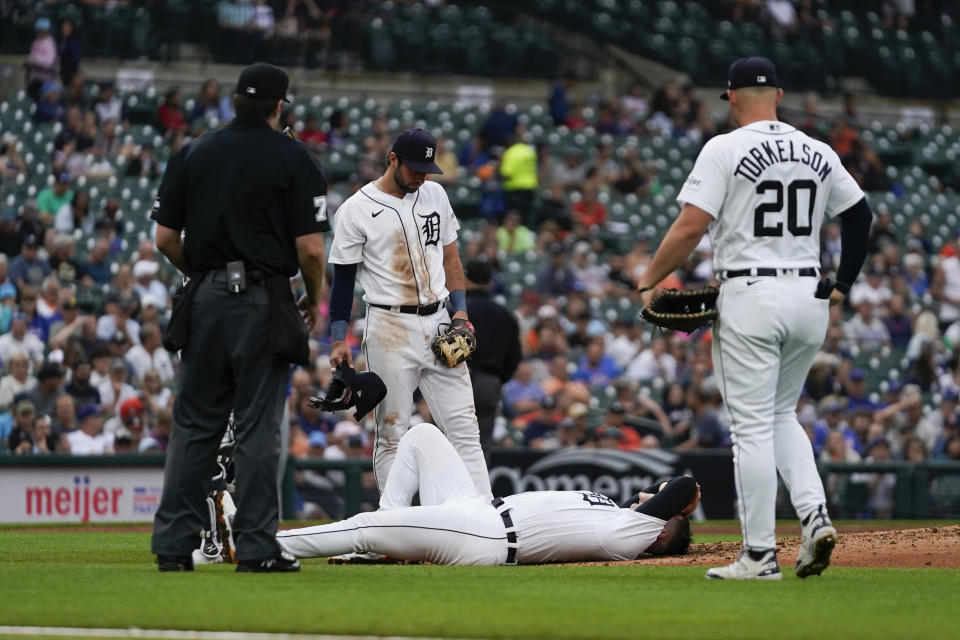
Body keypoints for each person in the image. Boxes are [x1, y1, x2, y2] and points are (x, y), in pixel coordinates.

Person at [636, 57, 872, 580]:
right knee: (781, 413)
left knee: (750, 430)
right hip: (809, 296)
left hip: (752, 291)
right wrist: (845, 282)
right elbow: (860, 215)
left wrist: (649, 277)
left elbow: (691, 225)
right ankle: (814, 517)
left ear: (732, 97)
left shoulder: (724, 147)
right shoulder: (818, 150)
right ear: (779, 96)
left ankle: (760, 556)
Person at [150, 63, 329, 573]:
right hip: (263, 298)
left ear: (233, 100)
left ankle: (171, 546)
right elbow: (311, 252)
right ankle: (254, 547)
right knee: (257, 428)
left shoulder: (193, 151)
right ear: (279, 107)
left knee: (193, 425)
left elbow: (164, 239)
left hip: (204, 298)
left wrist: (204, 275)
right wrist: (311, 300)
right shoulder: (295, 158)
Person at [326, 128, 492, 500]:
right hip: (389, 324)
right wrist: (338, 338)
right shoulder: (356, 209)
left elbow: (451, 259)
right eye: (415, 168)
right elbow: (342, 283)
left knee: (465, 427)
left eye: (427, 168)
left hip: (439, 322)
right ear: (393, 160)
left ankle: (486, 519)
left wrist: (461, 312)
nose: (422, 176)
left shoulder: (434, 194)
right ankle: (395, 522)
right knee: (392, 430)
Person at [276, 423, 696, 565]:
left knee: (364, 527)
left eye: (659, 511)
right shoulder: (620, 516)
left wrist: (680, 502)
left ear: (660, 533)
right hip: (477, 510)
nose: (645, 497)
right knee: (422, 435)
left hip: (486, 537)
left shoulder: (630, 534)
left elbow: (682, 486)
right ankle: (387, 542)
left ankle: (263, 544)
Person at [463, 258, 521, 450]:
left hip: (458, 378)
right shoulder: (504, 314)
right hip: (489, 381)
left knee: (445, 439)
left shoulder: (456, 310)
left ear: (465, 278)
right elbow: (514, 357)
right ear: (489, 282)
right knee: (481, 444)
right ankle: (477, 481)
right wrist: (496, 379)